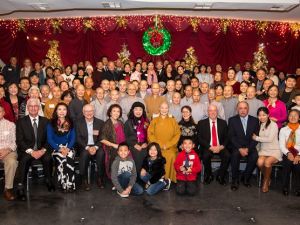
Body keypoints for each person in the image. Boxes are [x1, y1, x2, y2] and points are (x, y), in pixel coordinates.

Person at [16, 98, 53, 201]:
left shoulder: (46, 121)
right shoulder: (21, 122)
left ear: (39, 107)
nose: (33, 108)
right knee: (24, 160)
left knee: (48, 158)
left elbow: (49, 139)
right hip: (27, 150)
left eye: (35, 106)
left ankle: (48, 180)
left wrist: (42, 151)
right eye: (30, 106)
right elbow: (20, 141)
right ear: (27, 108)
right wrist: (32, 152)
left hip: (42, 149)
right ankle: (21, 187)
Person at [228, 101, 259, 191]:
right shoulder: (232, 120)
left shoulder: (255, 120)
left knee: (254, 156)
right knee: (234, 155)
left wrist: (248, 149)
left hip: (250, 146)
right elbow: (231, 136)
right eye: (240, 108)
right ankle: (235, 180)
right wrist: (240, 148)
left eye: (245, 108)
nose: (243, 110)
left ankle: (246, 178)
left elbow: (255, 137)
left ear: (248, 109)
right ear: (237, 109)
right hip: (237, 146)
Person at [197, 104, 230, 185]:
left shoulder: (223, 122)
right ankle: (209, 175)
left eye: (214, 110)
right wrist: (209, 147)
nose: (212, 112)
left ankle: (220, 176)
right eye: (210, 110)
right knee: (205, 156)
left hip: (220, 146)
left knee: (227, 155)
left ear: (217, 112)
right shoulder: (201, 123)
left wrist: (222, 146)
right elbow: (199, 138)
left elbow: (227, 137)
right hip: (208, 147)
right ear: (207, 112)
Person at [148, 102, 181, 182]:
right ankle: (158, 179)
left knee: (172, 155)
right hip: (157, 148)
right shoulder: (154, 121)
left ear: (168, 109)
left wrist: (168, 145)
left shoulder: (173, 121)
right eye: (162, 108)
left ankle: (168, 179)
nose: (164, 110)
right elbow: (150, 134)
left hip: (170, 147)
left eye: (166, 108)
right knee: (157, 155)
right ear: (159, 108)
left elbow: (177, 134)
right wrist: (159, 145)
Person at [47, 102, 76, 192]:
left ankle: (70, 185)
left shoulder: (71, 123)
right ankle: (63, 184)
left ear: (67, 111)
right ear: (56, 111)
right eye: (59, 109)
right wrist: (59, 149)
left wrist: (67, 148)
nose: (62, 111)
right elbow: (50, 139)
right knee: (62, 158)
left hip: (69, 147)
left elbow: (73, 138)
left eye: (64, 109)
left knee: (69, 156)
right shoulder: (51, 123)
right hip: (56, 148)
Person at [252, 107, 282, 193]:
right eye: (259, 115)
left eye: (264, 115)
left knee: (267, 162)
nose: (261, 117)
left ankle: (265, 183)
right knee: (259, 162)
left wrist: (256, 138)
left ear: (268, 115)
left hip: (274, 150)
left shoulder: (273, 124)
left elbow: (269, 139)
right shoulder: (259, 124)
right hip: (264, 150)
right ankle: (268, 177)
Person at [76, 104, 105, 190]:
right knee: (84, 154)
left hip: (97, 145)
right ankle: (84, 179)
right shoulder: (78, 123)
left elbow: (102, 138)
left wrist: (95, 147)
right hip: (84, 146)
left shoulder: (100, 123)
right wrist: (88, 147)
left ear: (94, 112)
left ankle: (100, 178)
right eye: (86, 111)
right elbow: (78, 138)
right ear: (83, 112)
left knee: (101, 153)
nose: (89, 113)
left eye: (91, 111)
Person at [101, 104, 125, 178]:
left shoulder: (121, 123)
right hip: (111, 146)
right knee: (117, 154)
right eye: (114, 111)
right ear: (110, 113)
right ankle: (116, 178)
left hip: (122, 145)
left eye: (118, 111)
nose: (116, 113)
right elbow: (102, 139)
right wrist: (114, 145)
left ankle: (125, 177)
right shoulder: (106, 124)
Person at [279, 109, 300, 196]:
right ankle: (285, 187)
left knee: (298, 165)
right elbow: (281, 145)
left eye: (295, 115)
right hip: (287, 152)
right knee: (287, 164)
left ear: (299, 118)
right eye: (291, 115)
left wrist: (298, 155)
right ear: (288, 117)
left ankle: (298, 188)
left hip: (298, 153)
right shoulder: (283, 130)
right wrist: (288, 153)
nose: (293, 117)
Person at [124, 102, 149, 175]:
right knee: (138, 154)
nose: (138, 111)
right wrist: (134, 144)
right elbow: (125, 137)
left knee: (146, 153)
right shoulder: (128, 122)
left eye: (140, 110)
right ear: (132, 111)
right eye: (136, 109)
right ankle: (136, 177)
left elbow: (149, 135)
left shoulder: (146, 122)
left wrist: (146, 143)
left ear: (143, 111)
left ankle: (145, 176)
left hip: (144, 144)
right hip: (132, 144)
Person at [0, 105, 18, 201]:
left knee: (12, 162)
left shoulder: (11, 125)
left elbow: (14, 142)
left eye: (0, 111)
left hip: (8, 151)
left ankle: (8, 188)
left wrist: (7, 150)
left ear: (3, 113)